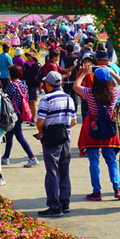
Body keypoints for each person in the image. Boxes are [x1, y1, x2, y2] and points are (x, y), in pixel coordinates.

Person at [74, 65, 120, 202]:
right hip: (108, 131)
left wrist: (84, 74)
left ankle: (96, 191)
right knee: (111, 161)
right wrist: (111, 73)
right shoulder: (114, 92)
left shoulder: (89, 93)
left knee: (93, 162)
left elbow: (75, 86)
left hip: (93, 130)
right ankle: (117, 189)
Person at [35, 70, 78, 217]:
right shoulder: (68, 99)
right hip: (66, 139)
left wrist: (41, 132)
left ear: (47, 84)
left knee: (52, 172)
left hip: (51, 140)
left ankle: (54, 206)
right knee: (64, 171)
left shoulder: (46, 100)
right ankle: (65, 202)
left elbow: (40, 122)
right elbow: (74, 121)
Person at [2, 65, 39, 168]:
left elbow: (6, 98)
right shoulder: (23, 84)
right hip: (21, 112)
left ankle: (32, 158)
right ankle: (5, 157)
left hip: (13, 114)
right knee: (9, 136)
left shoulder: (11, 85)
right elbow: (26, 97)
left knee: (19, 137)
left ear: (11, 74)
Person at [22, 50, 42, 126]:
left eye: (29, 56)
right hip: (27, 85)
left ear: (33, 56)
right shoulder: (26, 65)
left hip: (34, 85)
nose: (27, 57)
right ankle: (30, 118)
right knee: (29, 102)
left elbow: (40, 77)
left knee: (33, 102)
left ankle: (34, 119)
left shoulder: (37, 65)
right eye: (27, 56)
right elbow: (24, 75)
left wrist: (40, 87)